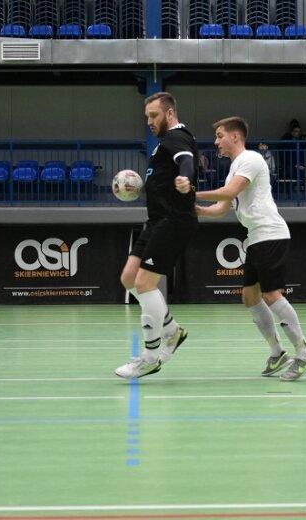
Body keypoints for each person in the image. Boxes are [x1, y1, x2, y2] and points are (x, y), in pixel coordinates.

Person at [179, 116, 306, 381]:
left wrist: (192, 193)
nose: (216, 141)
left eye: (220, 136)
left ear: (235, 136)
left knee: (271, 295)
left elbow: (229, 192)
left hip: (271, 233)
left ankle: (304, 352)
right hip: (255, 237)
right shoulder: (234, 168)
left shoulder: (251, 160)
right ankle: (278, 352)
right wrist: (195, 210)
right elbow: (221, 209)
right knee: (249, 297)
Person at [114, 92, 199, 379]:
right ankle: (173, 331)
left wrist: (186, 178)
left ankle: (150, 356)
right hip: (155, 220)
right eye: (147, 117)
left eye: (154, 116)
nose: (149, 121)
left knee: (144, 282)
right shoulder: (163, 143)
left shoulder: (177, 136)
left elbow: (185, 159)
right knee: (128, 277)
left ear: (170, 113)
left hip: (173, 220)